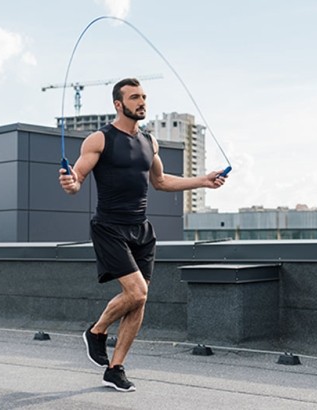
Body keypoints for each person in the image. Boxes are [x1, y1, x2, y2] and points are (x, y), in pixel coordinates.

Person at [59, 77, 227, 392]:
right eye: (134, 97)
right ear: (118, 104)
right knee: (137, 292)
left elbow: (160, 181)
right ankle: (96, 332)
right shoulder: (99, 139)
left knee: (139, 301)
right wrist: (71, 183)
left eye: (144, 96)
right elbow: (78, 178)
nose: (142, 102)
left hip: (142, 229)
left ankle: (116, 367)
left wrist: (203, 181)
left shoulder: (150, 141)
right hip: (109, 226)